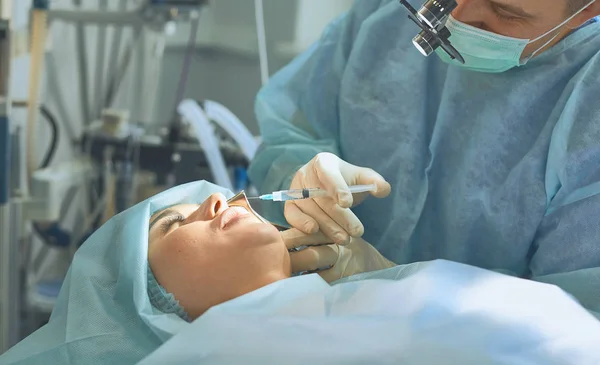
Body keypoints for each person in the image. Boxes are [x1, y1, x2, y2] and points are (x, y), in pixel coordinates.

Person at [248, 0, 600, 316]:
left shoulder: (589, 105)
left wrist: (403, 284)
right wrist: (299, 175)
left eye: (503, 11)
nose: (456, 18)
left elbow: (573, 321)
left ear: (588, 9)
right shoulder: (381, 17)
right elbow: (291, 129)